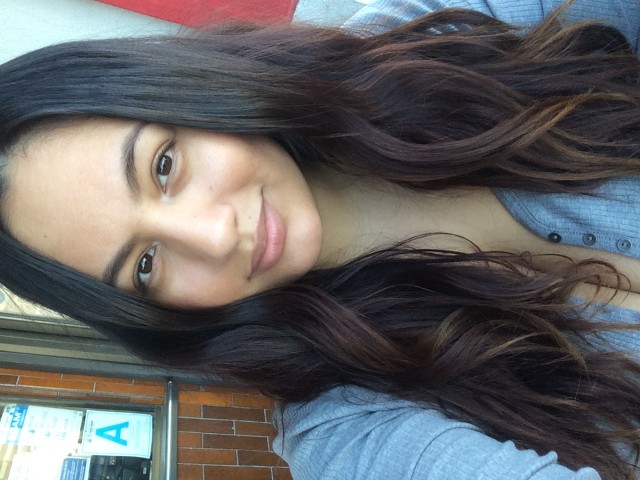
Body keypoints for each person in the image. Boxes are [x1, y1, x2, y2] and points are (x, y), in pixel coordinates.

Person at [0, 0, 639, 478]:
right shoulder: (352, 432)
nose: (214, 235)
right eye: (145, 265)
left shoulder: (437, 35)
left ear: (188, 90)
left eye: (163, 166)